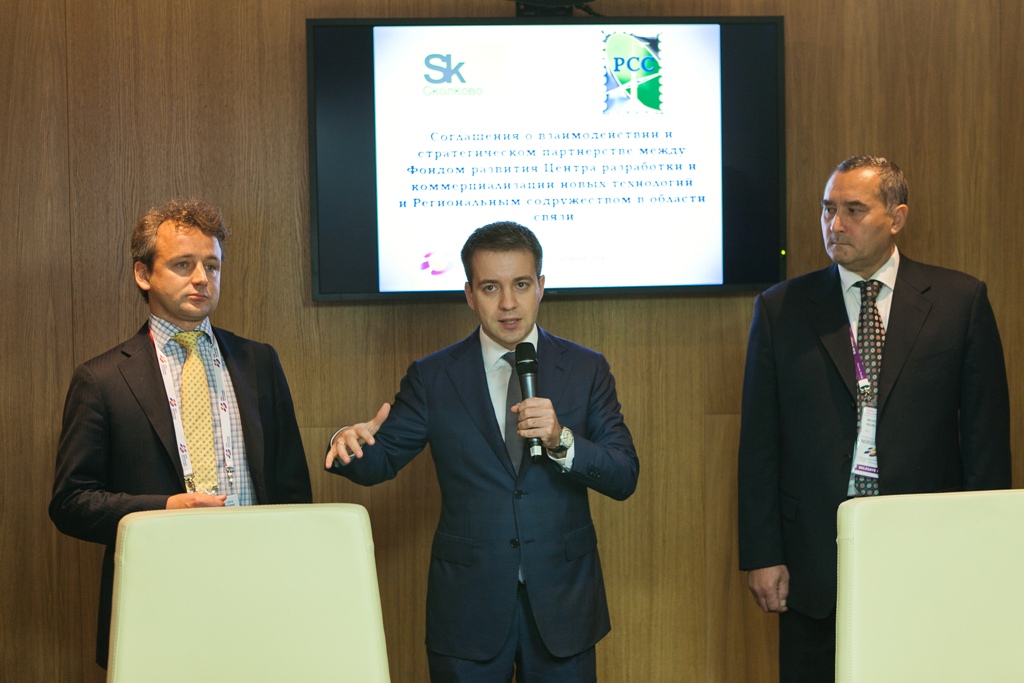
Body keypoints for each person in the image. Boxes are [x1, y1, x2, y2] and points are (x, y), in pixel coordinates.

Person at [737, 155, 1011, 682]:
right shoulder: (781, 308)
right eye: (828, 209)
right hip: (816, 555)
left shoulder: (960, 302)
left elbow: (986, 439)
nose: (835, 225)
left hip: (930, 550)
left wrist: (986, 547)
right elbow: (759, 444)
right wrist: (763, 553)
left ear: (897, 217)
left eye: (854, 210)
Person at [326, 221, 639, 682]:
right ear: (470, 295)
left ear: (541, 286)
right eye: (491, 287)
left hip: (563, 603)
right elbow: (381, 458)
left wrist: (562, 440)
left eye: (521, 285)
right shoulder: (433, 376)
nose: (508, 303)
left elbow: (623, 474)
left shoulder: (586, 369)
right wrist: (347, 444)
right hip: (467, 609)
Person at [50, 198, 312, 668]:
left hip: (262, 594)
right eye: (183, 264)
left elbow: (294, 490)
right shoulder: (101, 379)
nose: (201, 279)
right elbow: (71, 503)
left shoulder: (259, 362)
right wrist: (164, 508)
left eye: (212, 265)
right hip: (156, 601)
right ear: (143, 274)